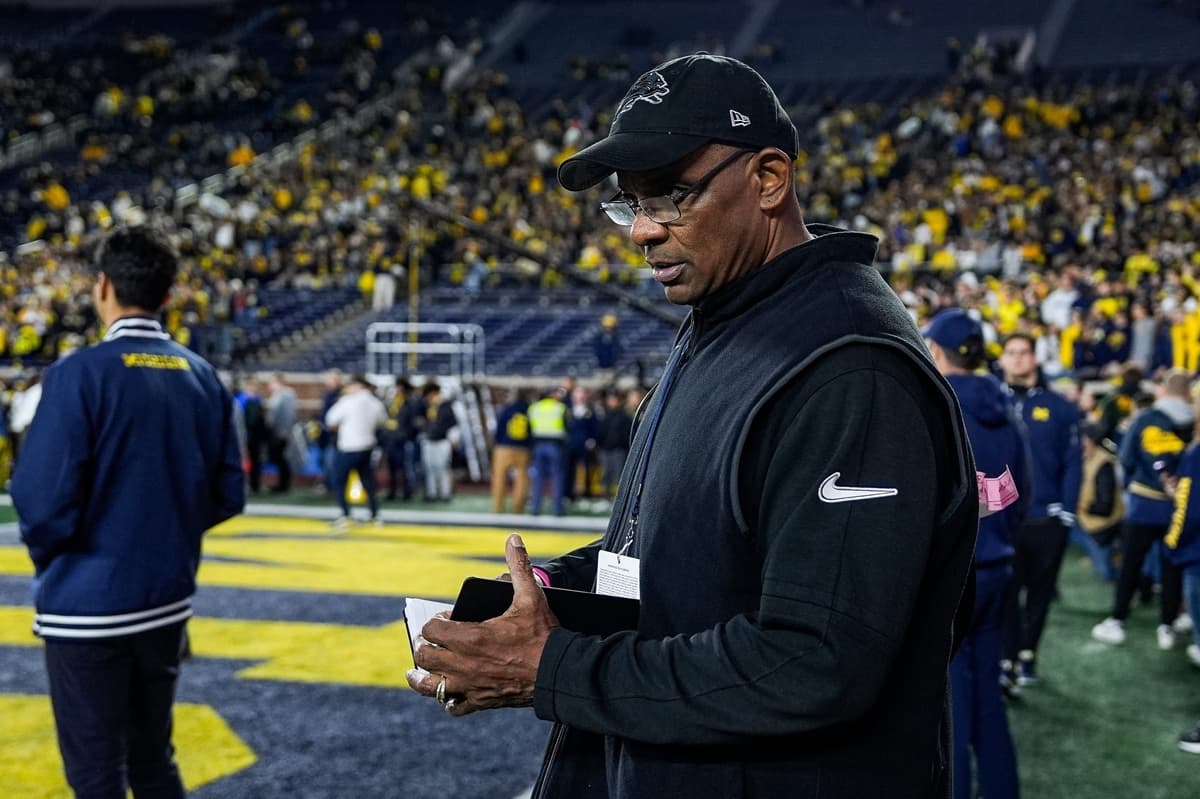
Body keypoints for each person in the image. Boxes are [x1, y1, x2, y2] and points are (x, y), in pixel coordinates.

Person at [407, 53, 978, 798]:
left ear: (768, 179)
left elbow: (814, 662)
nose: (641, 230)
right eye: (629, 203)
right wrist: (547, 593)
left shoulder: (849, 370)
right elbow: (677, 552)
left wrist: (550, 668)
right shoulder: (729, 317)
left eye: (672, 196)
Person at [11, 225, 245, 798]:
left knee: (95, 775)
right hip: (166, 597)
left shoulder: (78, 372)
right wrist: (162, 531)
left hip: (87, 605)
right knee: (153, 761)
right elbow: (229, 493)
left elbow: (40, 502)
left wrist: (61, 555)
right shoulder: (201, 374)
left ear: (102, 287)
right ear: (167, 294)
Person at [925, 310, 1026, 799]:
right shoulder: (1006, 407)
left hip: (953, 574)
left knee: (952, 704)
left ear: (937, 351)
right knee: (988, 696)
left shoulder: (933, 402)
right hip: (998, 564)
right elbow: (1018, 492)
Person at [998, 332, 1082, 687]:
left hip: (1047, 517)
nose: (1017, 358)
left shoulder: (1060, 407)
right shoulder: (992, 402)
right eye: (1011, 352)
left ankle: (1027, 656)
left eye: (1024, 352)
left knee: (1040, 594)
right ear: (1002, 359)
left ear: (1034, 358)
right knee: (1005, 593)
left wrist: (1066, 513)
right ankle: (1007, 658)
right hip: (1004, 517)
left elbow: (1073, 462)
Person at [1093, 369, 1192, 649]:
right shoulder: (1194, 422)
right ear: (1187, 393)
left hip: (1142, 505)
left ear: (1163, 390)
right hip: (1177, 507)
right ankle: (1167, 625)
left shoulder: (1146, 417)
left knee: (1130, 564)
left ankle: (1117, 620)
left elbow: (1125, 459)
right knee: (1171, 567)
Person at [325, 375, 389, 528]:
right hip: (367, 446)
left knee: (339, 480)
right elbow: (382, 421)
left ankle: (346, 515)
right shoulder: (375, 402)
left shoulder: (348, 401)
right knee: (368, 481)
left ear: (357, 385)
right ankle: (375, 515)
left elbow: (330, 419)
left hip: (349, 447)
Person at [1075, 422, 1123, 582]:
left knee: (1106, 573)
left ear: (1091, 441)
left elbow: (1105, 507)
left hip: (1103, 525)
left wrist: (1081, 505)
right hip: (1086, 521)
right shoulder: (1082, 458)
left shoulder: (1103, 465)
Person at [527, 386, 570, 517]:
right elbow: (567, 426)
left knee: (538, 477)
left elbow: (529, 428)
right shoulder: (560, 408)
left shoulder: (534, 408)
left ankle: (535, 507)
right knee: (557, 476)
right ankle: (557, 509)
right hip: (555, 445)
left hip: (538, 444)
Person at [491, 389, 532, 513]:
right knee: (522, 480)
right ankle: (518, 509)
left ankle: (498, 508)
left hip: (504, 448)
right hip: (523, 449)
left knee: (499, 479)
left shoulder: (506, 409)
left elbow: (498, 429)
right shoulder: (529, 411)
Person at [420, 382, 456, 501]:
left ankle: (445, 493)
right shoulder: (427, 406)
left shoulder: (445, 405)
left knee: (443, 468)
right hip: (429, 440)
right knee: (429, 468)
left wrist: (452, 439)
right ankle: (432, 493)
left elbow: (453, 424)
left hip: (442, 440)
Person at [595, 389, 633, 501]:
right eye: (610, 400)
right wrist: (599, 444)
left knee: (620, 475)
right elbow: (601, 432)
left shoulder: (625, 417)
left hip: (618, 450)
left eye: (614, 400)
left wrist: (621, 444)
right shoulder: (605, 415)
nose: (612, 402)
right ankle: (606, 497)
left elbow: (627, 433)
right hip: (606, 450)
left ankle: (621, 499)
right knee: (606, 475)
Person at [265, 373, 297, 493]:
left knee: (282, 457)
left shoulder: (286, 395)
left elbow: (287, 415)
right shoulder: (278, 395)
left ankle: (284, 484)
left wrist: (285, 430)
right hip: (276, 431)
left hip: (281, 431)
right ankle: (282, 483)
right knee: (278, 457)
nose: (270, 386)